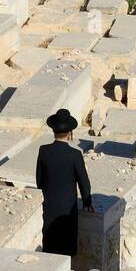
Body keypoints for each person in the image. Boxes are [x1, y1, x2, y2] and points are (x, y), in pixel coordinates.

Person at [36, 109, 93, 257]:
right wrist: (87, 202)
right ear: (70, 133)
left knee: (50, 240)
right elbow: (83, 181)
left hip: (50, 204)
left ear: (53, 131)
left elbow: (39, 180)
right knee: (66, 243)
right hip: (68, 207)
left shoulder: (43, 151)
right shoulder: (75, 155)